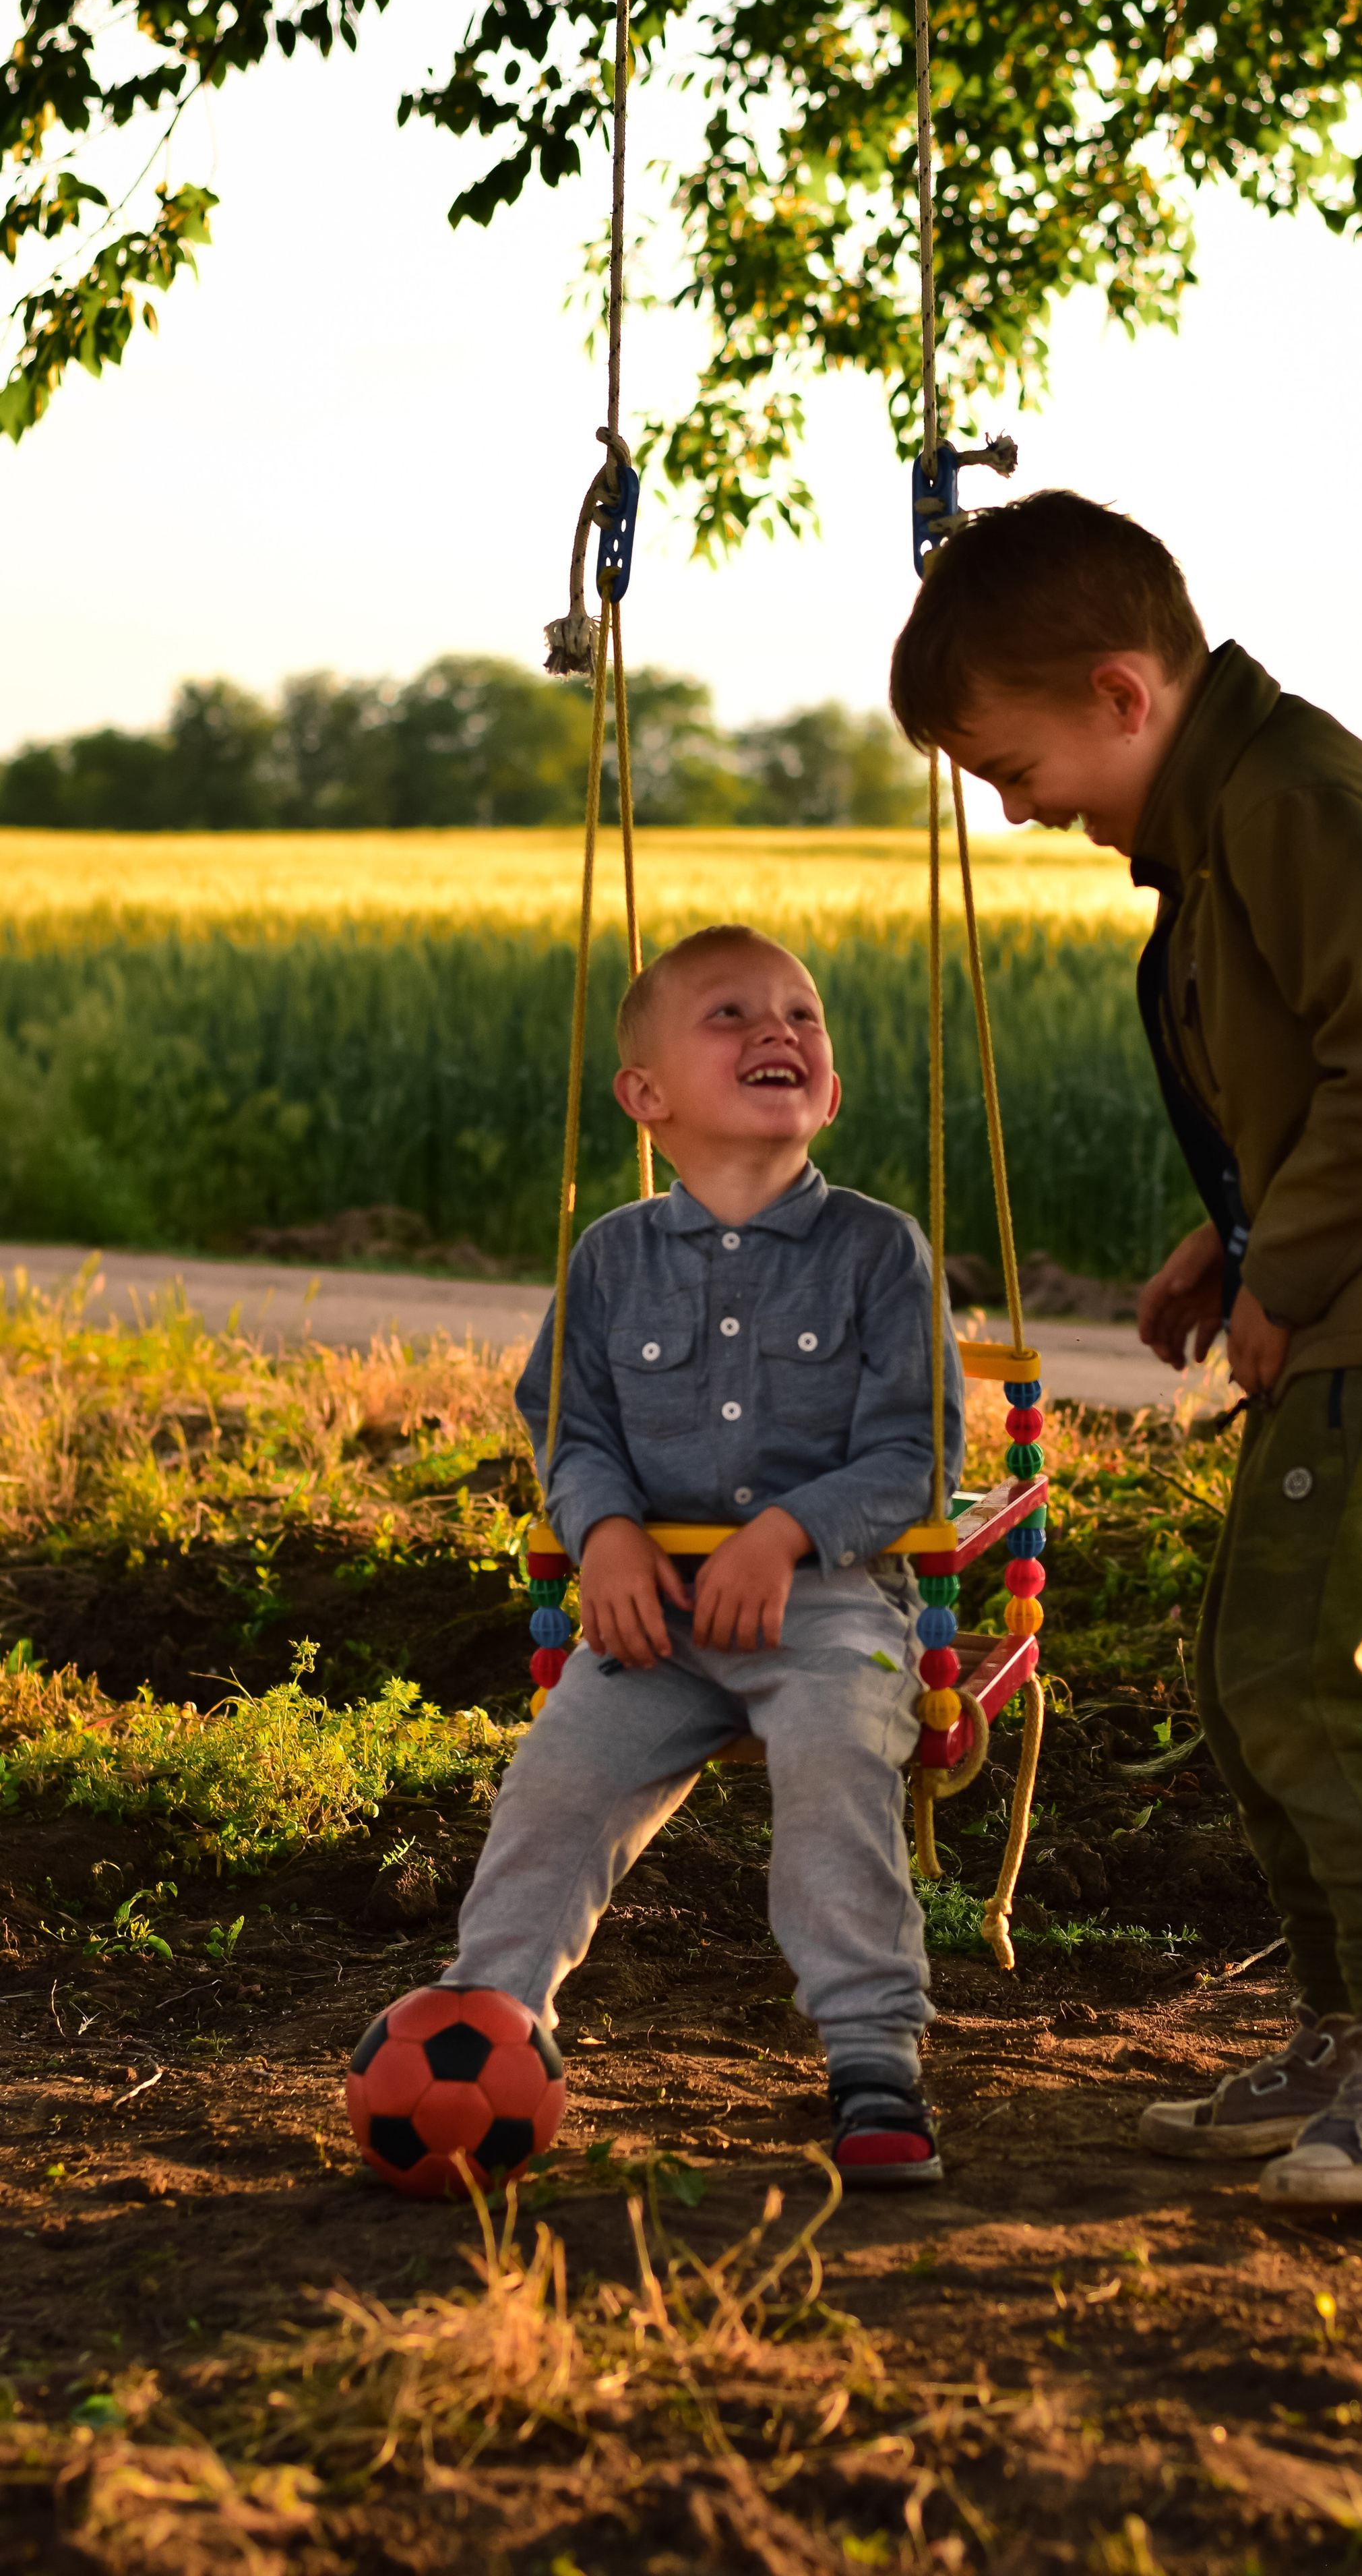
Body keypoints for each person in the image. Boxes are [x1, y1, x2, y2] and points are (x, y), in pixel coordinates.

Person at [889, 490, 1362, 2207]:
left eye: (1013, 768)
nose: (1015, 811)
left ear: (1119, 693)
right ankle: (1348, 2030)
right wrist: (1220, 1247)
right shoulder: (1237, 807)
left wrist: (1277, 1279)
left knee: (1309, 1669)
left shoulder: (1288, 803)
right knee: (1251, 1668)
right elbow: (1316, 1074)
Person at [441, 924, 963, 2188]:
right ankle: (484, 2024)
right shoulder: (612, 1259)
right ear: (648, 1096)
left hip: (830, 1602)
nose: (777, 1030)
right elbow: (568, 1431)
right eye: (731, 1015)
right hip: (653, 1617)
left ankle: (871, 2053)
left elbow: (918, 1452)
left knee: (841, 1752)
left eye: (802, 1015)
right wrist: (606, 1535)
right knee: (558, 1783)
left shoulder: (879, 1253)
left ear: (829, 1091)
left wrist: (787, 1534)